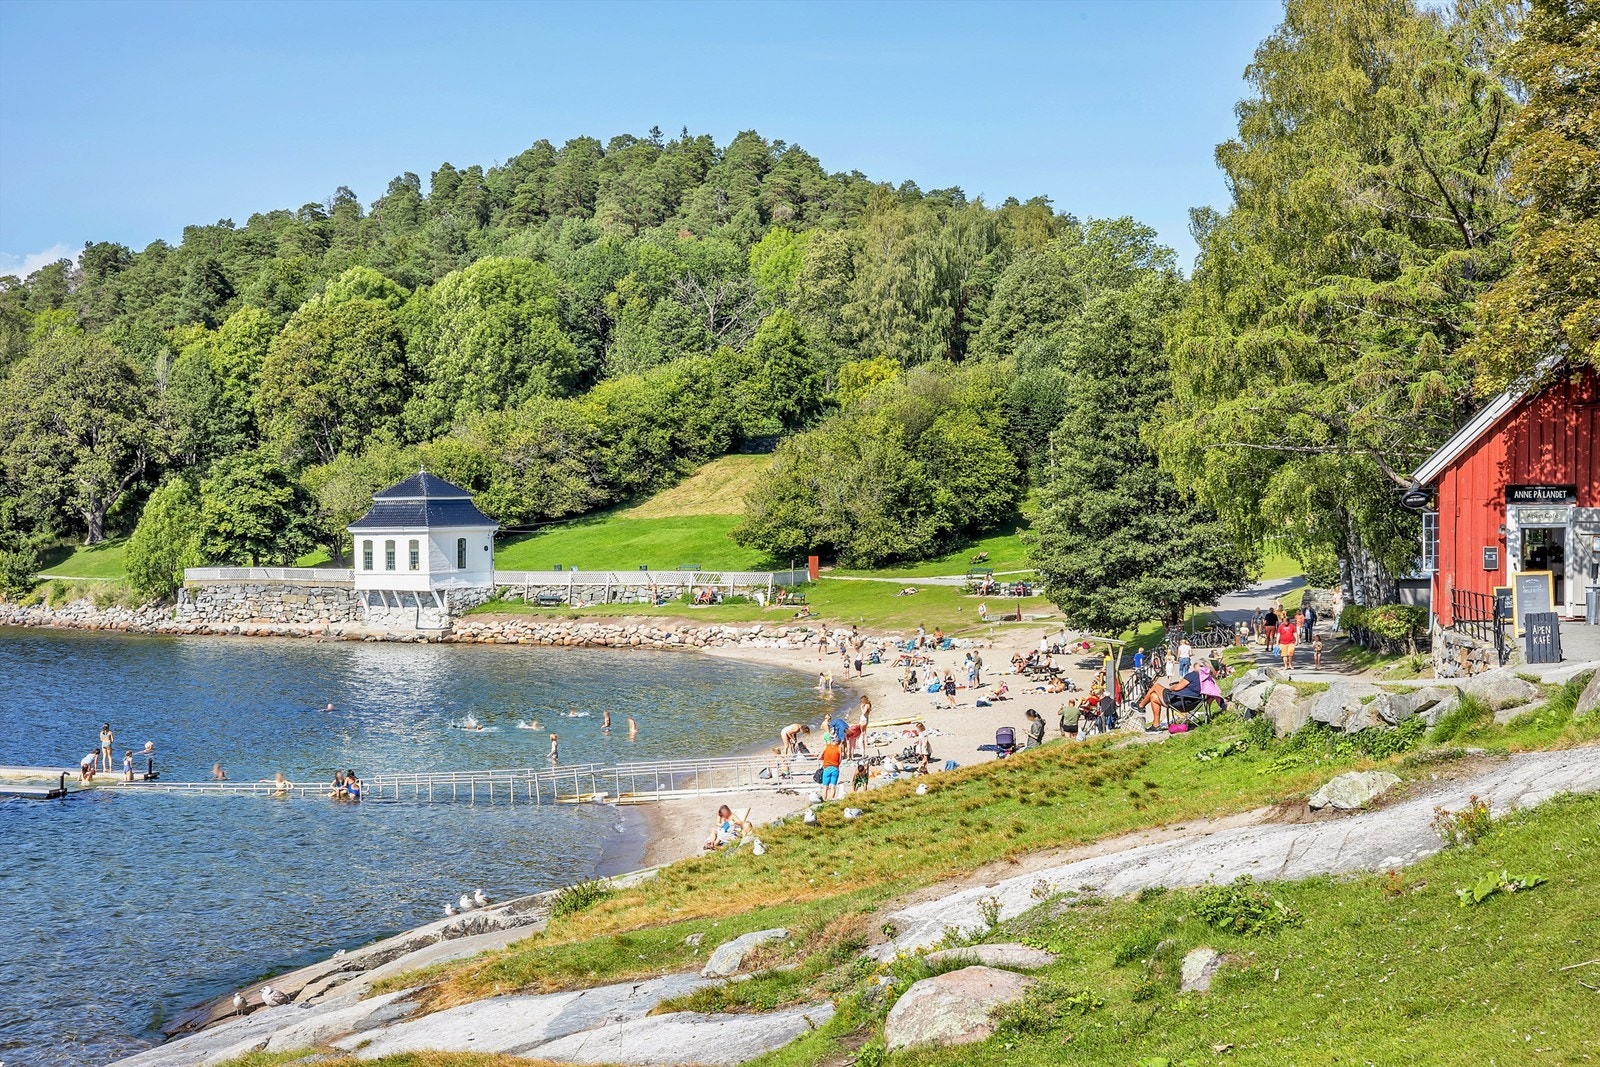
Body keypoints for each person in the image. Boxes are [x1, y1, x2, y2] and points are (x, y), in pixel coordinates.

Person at [819, 736, 842, 800]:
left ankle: (824, 799)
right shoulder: (839, 748)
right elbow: (840, 760)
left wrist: (824, 759)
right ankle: (831, 799)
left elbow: (819, 756)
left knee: (825, 787)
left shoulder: (826, 746)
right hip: (835, 768)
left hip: (827, 767)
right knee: (833, 786)